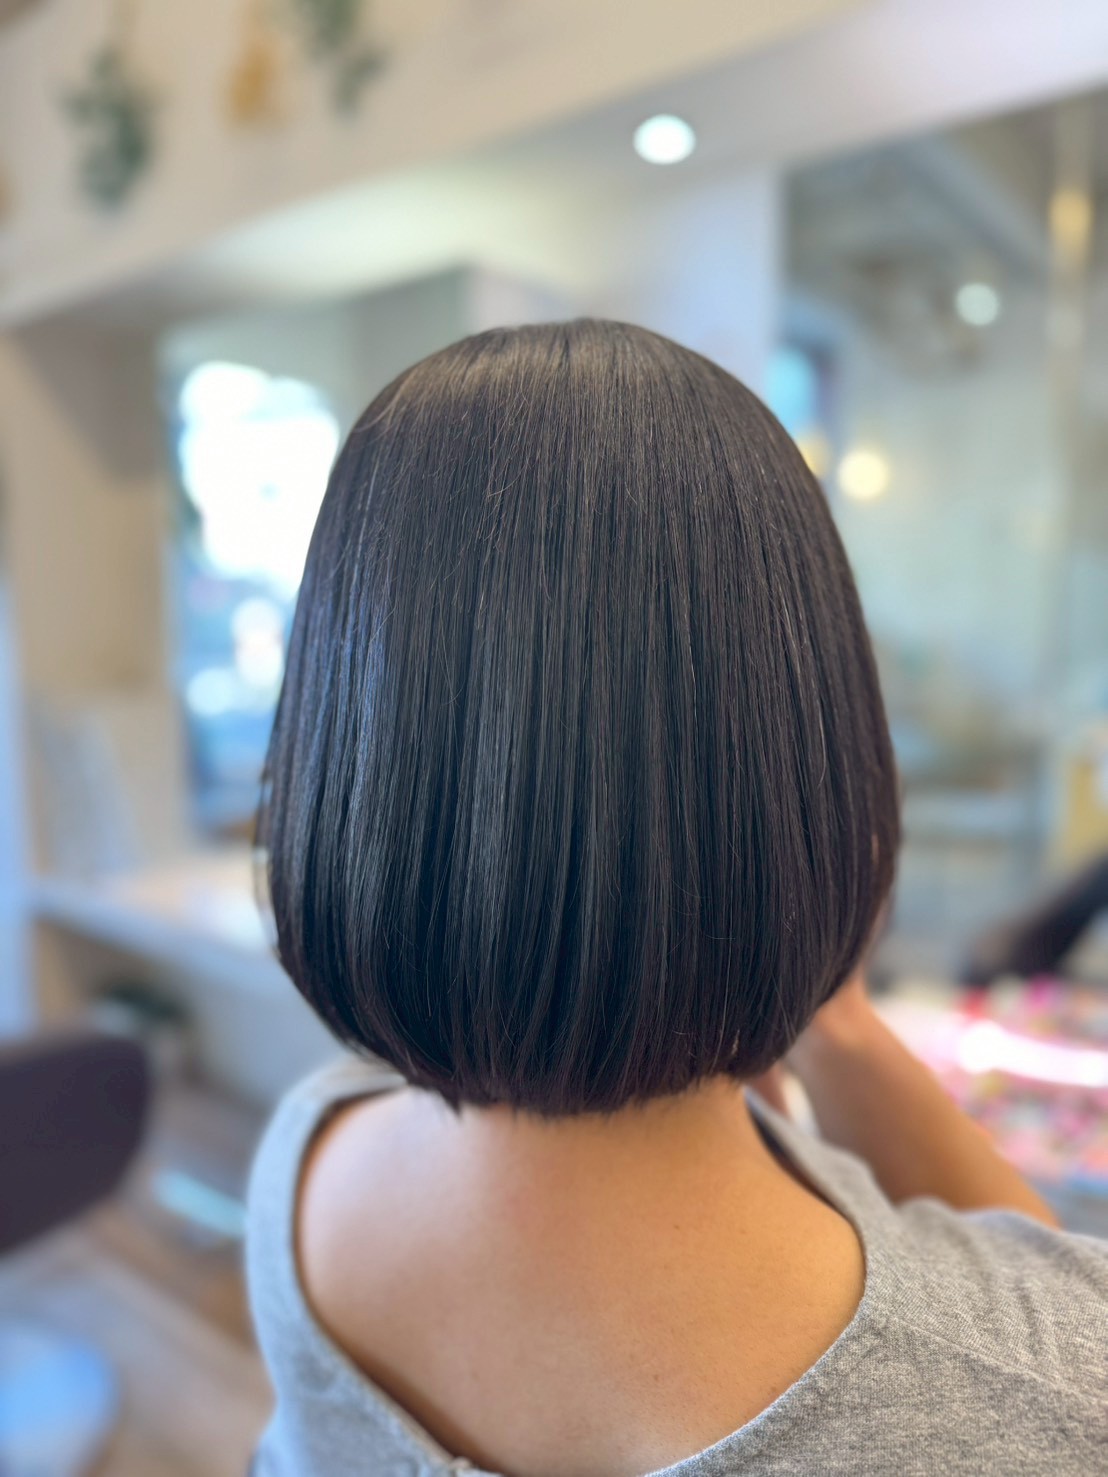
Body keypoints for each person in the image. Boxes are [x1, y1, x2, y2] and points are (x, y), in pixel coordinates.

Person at [246, 320, 1107, 1477]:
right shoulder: (1032, 1384)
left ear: (346, 764)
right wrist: (832, 1007)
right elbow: (1045, 1340)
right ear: (813, 760)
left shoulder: (302, 1163)